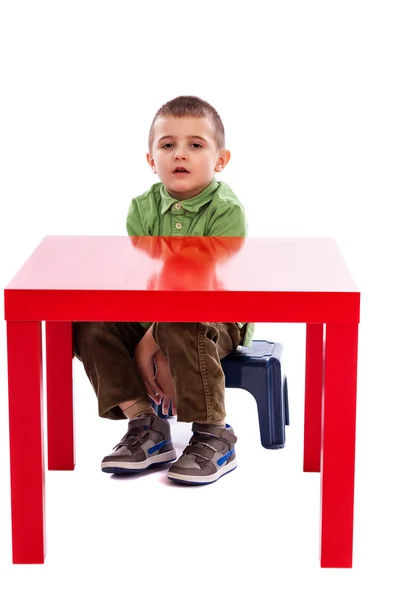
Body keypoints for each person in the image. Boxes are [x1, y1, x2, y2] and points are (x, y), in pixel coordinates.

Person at [73, 95, 254, 485]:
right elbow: (144, 276)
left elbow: (200, 290)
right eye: (168, 145)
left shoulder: (226, 210)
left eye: (195, 144)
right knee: (88, 321)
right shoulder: (142, 207)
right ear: (151, 159)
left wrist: (151, 346)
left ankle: (215, 433)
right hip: (156, 314)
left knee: (180, 325)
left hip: (213, 318)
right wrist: (151, 336)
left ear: (220, 160)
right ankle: (145, 423)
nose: (179, 154)